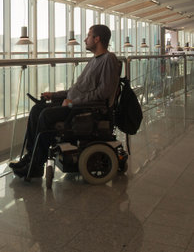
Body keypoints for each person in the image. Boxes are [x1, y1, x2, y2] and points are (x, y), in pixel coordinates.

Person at [10, 24, 121, 178]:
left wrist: (71, 103)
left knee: (46, 115)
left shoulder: (108, 59)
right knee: (37, 110)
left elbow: (103, 93)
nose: (84, 39)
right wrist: (55, 95)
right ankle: (30, 157)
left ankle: (37, 165)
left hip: (83, 109)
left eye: (88, 36)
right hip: (74, 104)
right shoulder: (94, 60)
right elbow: (76, 89)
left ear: (97, 39)